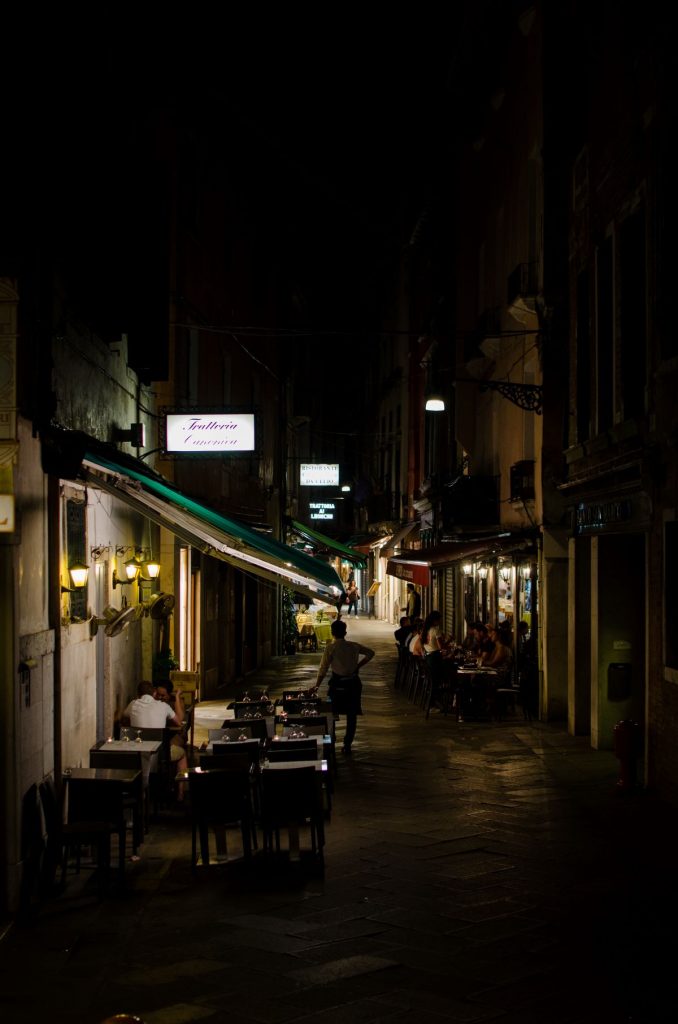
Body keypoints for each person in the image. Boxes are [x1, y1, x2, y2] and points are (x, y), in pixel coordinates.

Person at [316, 618, 375, 754]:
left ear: (332, 633)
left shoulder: (331, 647)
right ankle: (347, 744)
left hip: (337, 684)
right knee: (351, 715)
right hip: (353, 683)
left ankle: (332, 740)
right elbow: (371, 653)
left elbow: (323, 668)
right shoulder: (354, 646)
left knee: (331, 713)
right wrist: (358, 666)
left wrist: (317, 686)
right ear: (345, 632)